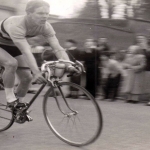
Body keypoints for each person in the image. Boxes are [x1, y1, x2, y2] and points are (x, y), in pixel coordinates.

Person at [0, 0, 80, 114]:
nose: (45, 16)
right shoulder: (17, 24)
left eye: (47, 13)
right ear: (29, 13)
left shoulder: (45, 26)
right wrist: (36, 72)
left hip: (12, 44)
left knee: (27, 78)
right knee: (11, 63)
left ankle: (19, 106)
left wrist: (68, 64)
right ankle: (10, 98)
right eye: (40, 13)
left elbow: (57, 47)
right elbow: (26, 51)